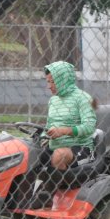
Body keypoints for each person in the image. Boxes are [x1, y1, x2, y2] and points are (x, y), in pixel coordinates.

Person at [32, 61, 97, 203]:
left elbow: (89, 127)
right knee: (28, 152)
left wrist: (64, 131)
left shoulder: (83, 98)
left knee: (59, 155)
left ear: (63, 79)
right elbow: (49, 125)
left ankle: (45, 198)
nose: (49, 86)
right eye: (48, 81)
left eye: (53, 82)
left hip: (80, 148)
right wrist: (43, 136)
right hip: (55, 145)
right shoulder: (53, 101)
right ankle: (23, 194)